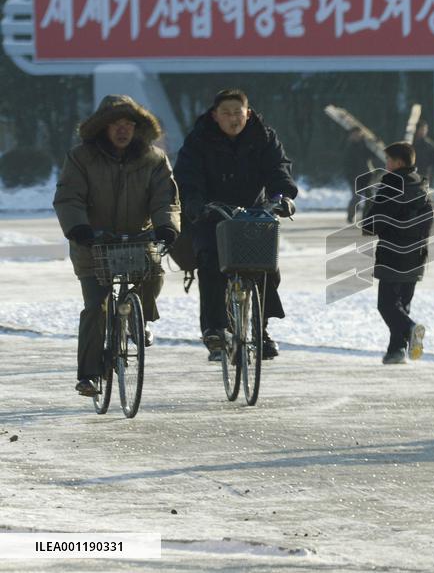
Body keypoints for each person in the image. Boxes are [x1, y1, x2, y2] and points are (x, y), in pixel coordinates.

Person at [53, 95, 180, 396]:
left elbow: (165, 198)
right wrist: (79, 228)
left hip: (137, 240)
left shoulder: (153, 158)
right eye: (115, 124)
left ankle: (140, 319)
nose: (123, 130)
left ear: (138, 127)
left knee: (154, 274)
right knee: (96, 306)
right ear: (102, 127)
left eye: (128, 124)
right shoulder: (81, 158)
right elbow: (69, 197)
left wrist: (166, 226)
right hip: (93, 244)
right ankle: (89, 375)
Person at [173, 89, 297, 361]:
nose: (233, 118)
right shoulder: (199, 140)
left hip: (254, 213)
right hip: (210, 215)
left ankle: (261, 330)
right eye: (226, 113)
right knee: (210, 263)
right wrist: (194, 203)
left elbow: (278, 169)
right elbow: (187, 176)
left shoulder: (264, 137)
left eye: (237, 113)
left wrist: (282, 197)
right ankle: (215, 330)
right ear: (215, 116)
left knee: (266, 268)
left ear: (247, 113)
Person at [360, 141, 434, 365]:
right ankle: (396, 350)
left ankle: (410, 328)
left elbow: (374, 221)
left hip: (393, 254)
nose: (386, 164)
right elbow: (428, 218)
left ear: (399, 163)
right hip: (417, 254)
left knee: (387, 304)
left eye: (388, 160)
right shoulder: (421, 185)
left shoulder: (391, 185)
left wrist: (369, 212)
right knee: (402, 305)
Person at [343, 126, 380, 224]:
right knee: (356, 198)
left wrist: (375, 144)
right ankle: (350, 216)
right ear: (351, 135)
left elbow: (374, 155)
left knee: (369, 198)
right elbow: (346, 164)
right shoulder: (348, 147)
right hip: (354, 177)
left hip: (367, 175)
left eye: (358, 134)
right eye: (354, 134)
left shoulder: (366, 145)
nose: (356, 136)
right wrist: (349, 176)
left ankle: (366, 218)